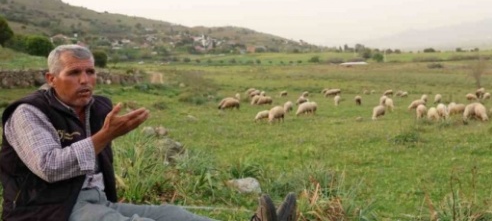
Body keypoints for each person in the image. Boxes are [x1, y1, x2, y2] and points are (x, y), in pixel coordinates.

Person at [0, 44, 297, 221]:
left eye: (90, 71)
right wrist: (105, 136)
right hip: (49, 211)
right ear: (51, 78)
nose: (85, 80)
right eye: (74, 73)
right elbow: (49, 166)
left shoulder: (96, 106)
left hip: (96, 200)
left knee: (175, 215)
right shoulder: (28, 113)